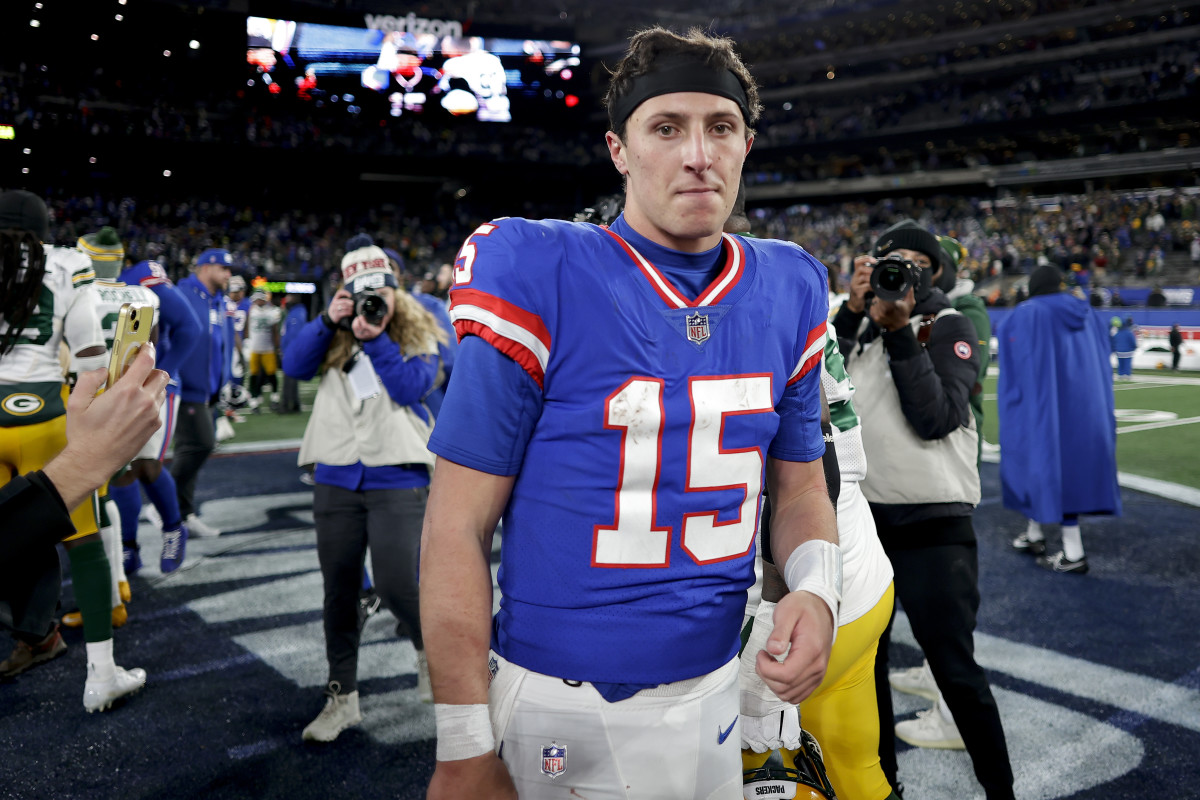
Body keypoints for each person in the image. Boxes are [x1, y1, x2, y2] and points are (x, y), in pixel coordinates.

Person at [421, 26, 838, 800]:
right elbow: (456, 525)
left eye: (720, 128)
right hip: (561, 702)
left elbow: (803, 489)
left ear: (747, 142)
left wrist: (816, 587)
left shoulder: (791, 287)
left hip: (714, 685)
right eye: (667, 128)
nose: (698, 154)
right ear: (619, 149)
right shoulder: (539, 270)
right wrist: (463, 745)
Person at [832, 219, 1014, 799]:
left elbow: (935, 420)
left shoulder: (948, 323)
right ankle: (887, 787)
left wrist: (901, 333)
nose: (901, 270)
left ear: (933, 272)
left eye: (914, 261)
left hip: (934, 524)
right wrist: (851, 315)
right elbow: (807, 389)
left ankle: (1001, 791)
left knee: (956, 672)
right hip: (864, 523)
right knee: (867, 676)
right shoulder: (856, 331)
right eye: (890, 260)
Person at [282, 240, 446, 743]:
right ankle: (342, 698)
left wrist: (374, 337)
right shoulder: (333, 329)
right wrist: (330, 322)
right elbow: (294, 366)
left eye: (380, 292)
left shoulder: (422, 325)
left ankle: (428, 653)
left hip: (398, 472)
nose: (372, 301)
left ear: (395, 290)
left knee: (399, 584)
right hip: (336, 473)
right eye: (360, 294)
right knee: (340, 592)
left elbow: (409, 388)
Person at [0, 189, 147, 712]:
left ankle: (32, 637)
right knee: (83, 541)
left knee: (7, 534)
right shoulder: (66, 265)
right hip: (45, 418)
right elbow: (88, 354)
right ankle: (102, 674)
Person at [1001, 264, 1121, 574]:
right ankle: (1035, 534)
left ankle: (1073, 551)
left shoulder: (1025, 314)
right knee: (1068, 470)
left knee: (1037, 465)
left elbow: (1017, 371)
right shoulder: (1091, 314)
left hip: (1041, 407)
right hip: (1085, 410)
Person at [110, 256, 202, 575]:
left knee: (146, 465)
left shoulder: (142, 274)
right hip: (116, 385)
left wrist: (164, 370)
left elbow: (190, 327)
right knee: (119, 468)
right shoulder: (91, 279)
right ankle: (128, 548)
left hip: (152, 385)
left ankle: (174, 530)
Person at [173, 248, 233, 539]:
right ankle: (165, 506)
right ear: (207, 267)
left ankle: (182, 515)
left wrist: (227, 380)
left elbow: (220, 344)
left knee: (191, 450)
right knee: (202, 444)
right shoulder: (182, 293)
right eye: (224, 269)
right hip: (186, 388)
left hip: (208, 389)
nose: (228, 275)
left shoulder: (218, 301)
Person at [245, 288, 283, 409]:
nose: (259, 301)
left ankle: (275, 396)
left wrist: (277, 346)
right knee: (253, 374)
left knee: (271, 372)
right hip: (254, 347)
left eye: (260, 299)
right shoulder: (251, 310)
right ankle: (254, 398)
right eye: (257, 299)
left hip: (268, 347)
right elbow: (247, 326)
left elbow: (275, 331)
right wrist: (246, 340)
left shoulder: (272, 311)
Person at [277, 293, 308, 413]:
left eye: (289, 297)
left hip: (292, 352)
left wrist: (288, 351)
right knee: (291, 379)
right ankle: (294, 404)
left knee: (289, 379)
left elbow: (293, 335)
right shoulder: (294, 312)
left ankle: (287, 405)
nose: (287, 300)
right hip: (292, 351)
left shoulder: (297, 313)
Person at [1112, 316, 1137, 381]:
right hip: (1128, 352)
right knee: (1127, 364)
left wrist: (1115, 348)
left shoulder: (1117, 333)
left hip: (1119, 351)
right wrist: (1134, 347)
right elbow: (1132, 341)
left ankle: (1120, 375)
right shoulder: (1129, 333)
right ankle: (1127, 375)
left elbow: (1114, 341)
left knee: (1120, 364)